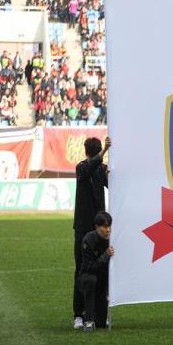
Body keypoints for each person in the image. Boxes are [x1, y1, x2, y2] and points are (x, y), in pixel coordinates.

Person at [73, 136, 111, 329]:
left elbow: (113, 185)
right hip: (84, 229)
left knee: (102, 270)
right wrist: (104, 152)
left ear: (85, 149)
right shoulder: (82, 168)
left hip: (100, 229)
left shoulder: (101, 170)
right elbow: (89, 168)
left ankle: (96, 313)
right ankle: (78, 314)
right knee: (82, 271)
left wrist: (112, 175)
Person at [78, 211, 114, 332]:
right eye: (104, 226)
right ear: (97, 227)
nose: (108, 230)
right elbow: (90, 268)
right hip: (87, 278)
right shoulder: (88, 240)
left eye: (109, 226)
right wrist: (105, 256)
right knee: (91, 280)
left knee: (101, 324)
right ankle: (88, 320)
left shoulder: (114, 239)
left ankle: (99, 315)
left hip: (103, 282)